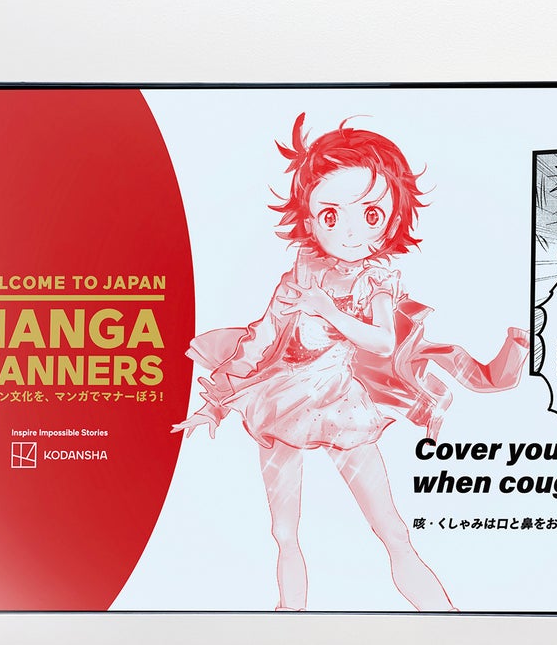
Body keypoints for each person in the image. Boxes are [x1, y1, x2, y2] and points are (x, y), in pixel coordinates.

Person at [174, 115, 527, 610]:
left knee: (392, 530)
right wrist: (214, 404)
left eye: (371, 214)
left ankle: (445, 617)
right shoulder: (298, 277)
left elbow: (382, 341)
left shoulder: (375, 279)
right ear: (309, 220)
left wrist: (329, 311)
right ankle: (288, 617)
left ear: (393, 218)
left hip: (342, 404)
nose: (350, 231)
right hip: (280, 400)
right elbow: (259, 341)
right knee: (283, 532)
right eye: (331, 216)